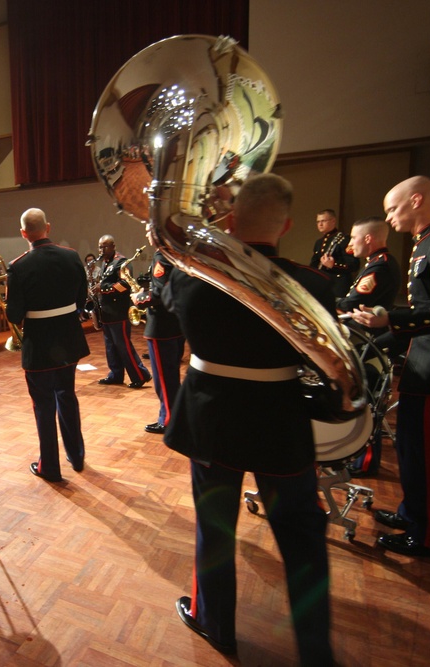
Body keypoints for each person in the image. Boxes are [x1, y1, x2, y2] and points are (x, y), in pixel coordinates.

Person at [165, 174, 334, 664]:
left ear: (231, 220)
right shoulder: (314, 283)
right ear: (287, 225)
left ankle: (216, 625)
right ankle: (316, 652)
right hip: (280, 422)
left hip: (211, 419)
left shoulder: (191, 275)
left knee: (215, 527)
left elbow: (173, 309)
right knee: (302, 539)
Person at [351, 175, 430, 558]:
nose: (389, 218)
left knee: (423, 451)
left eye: (394, 207)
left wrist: (390, 320)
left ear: (417, 200)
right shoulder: (425, 245)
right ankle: (413, 513)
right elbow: (423, 316)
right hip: (424, 363)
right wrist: (375, 345)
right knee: (408, 448)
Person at [5, 208, 89, 482]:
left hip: (39, 344)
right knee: (67, 395)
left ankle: (49, 466)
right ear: (48, 228)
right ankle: (76, 455)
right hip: (68, 338)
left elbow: (14, 315)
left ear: (23, 233)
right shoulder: (71, 256)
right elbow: (81, 298)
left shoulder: (18, 266)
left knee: (43, 405)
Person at [336, 217, 402, 478]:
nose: (350, 243)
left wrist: (325, 298)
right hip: (369, 339)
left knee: (368, 403)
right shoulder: (377, 263)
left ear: (368, 239)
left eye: (353, 238)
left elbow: (352, 303)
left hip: (372, 342)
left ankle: (365, 462)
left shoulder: (379, 268)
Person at [131, 240, 184, 434]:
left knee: (164, 379)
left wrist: (140, 298)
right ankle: (177, 414)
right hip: (176, 324)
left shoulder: (161, 256)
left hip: (161, 327)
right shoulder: (177, 252)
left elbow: (159, 294)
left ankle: (168, 419)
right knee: (172, 375)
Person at [96, 235, 150, 388]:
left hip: (118, 312)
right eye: (100, 247)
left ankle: (140, 375)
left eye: (104, 246)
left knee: (123, 346)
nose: (101, 250)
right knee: (111, 347)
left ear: (113, 246)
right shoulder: (106, 263)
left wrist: (104, 289)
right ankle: (116, 375)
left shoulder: (121, 262)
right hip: (106, 312)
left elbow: (124, 284)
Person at [310, 209, 359, 297]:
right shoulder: (319, 242)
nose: (320, 224)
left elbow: (354, 265)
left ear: (333, 221)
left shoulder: (345, 239)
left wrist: (333, 265)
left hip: (338, 287)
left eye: (323, 221)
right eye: (318, 222)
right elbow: (314, 264)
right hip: (323, 285)